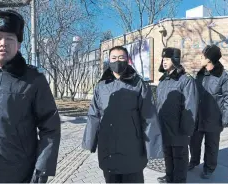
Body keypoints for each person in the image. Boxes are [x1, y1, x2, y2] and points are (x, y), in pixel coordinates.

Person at [0, 9, 61, 183]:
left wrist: (43, 168)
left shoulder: (34, 80)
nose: (3, 43)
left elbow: (51, 127)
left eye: (10, 39)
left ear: (18, 45)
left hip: (19, 174)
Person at [82, 46, 163, 183]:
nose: (117, 61)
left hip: (132, 146)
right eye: (113, 58)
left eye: (121, 58)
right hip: (108, 147)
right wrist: (90, 141)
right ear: (109, 60)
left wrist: (153, 148)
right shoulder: (101, 86)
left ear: (128, 60)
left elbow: (149, 117)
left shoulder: (139, 85)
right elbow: (93, 116)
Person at [156, 47, 198, 183]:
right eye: (163, 58)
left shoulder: (186, 80)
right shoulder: (162, 81)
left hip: (179, 129)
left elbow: (190, 106)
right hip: (164, 127)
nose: (164, 61)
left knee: (179, 159)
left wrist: (185, 130)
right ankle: (169, 179)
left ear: (175, 59)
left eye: (167, 58)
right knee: (168, 157)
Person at [189, 44, 228, 179]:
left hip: (214, 118)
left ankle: (209, 168)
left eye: (203, 56)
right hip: (198, 117)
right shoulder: (200, 74)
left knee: (211, 146)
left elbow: (227, 98)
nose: (201, 58)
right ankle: (193, 161)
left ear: (210, 58)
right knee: (194, 142)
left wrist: (224, 119)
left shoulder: (223, 76)